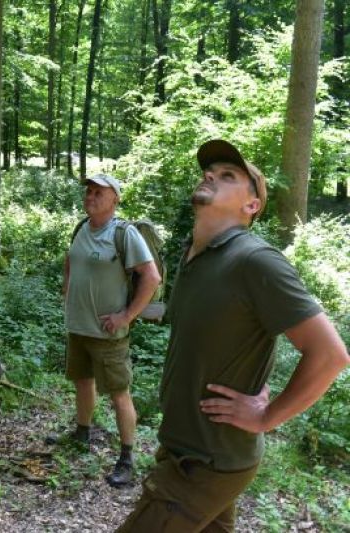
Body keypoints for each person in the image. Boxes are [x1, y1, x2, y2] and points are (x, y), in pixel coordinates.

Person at [117, 140, 350, 531]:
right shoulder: (196, 256)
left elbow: (330, 355)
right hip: (183, 449)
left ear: (252, 205)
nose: (211, 176)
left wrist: (267, 417)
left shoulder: (254, 260)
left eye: (229, 176)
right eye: (210, 172)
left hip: (206, 461)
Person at [60, 174, 161, 488]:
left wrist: (126, 316)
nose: (90, 197)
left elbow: (151, 277)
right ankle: (81, 432)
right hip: (79, 327)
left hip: (107, 333)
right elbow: (70, 259)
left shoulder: (124, 234)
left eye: (98, 193)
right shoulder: (82, 227)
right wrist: (67, 289)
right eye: (88, 191)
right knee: (82, 382)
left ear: (115, 199)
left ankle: (127, 458)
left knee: (119, 394)